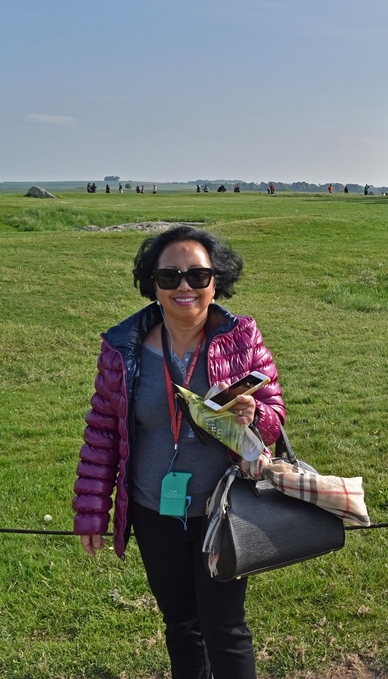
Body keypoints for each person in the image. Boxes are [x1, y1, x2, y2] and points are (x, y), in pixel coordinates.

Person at [73, 226, 285, 679]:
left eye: (197, 275)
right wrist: (93, 511)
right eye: (169, 277)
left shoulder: (241, 337)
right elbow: (102, 434)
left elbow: (275, 415)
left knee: (224, 628)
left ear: (216, 281)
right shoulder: (122, 348)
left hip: (224, 511)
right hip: (155, 511)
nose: (184, 287)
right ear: (152, 284)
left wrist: (255, 414)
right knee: (180, 626)